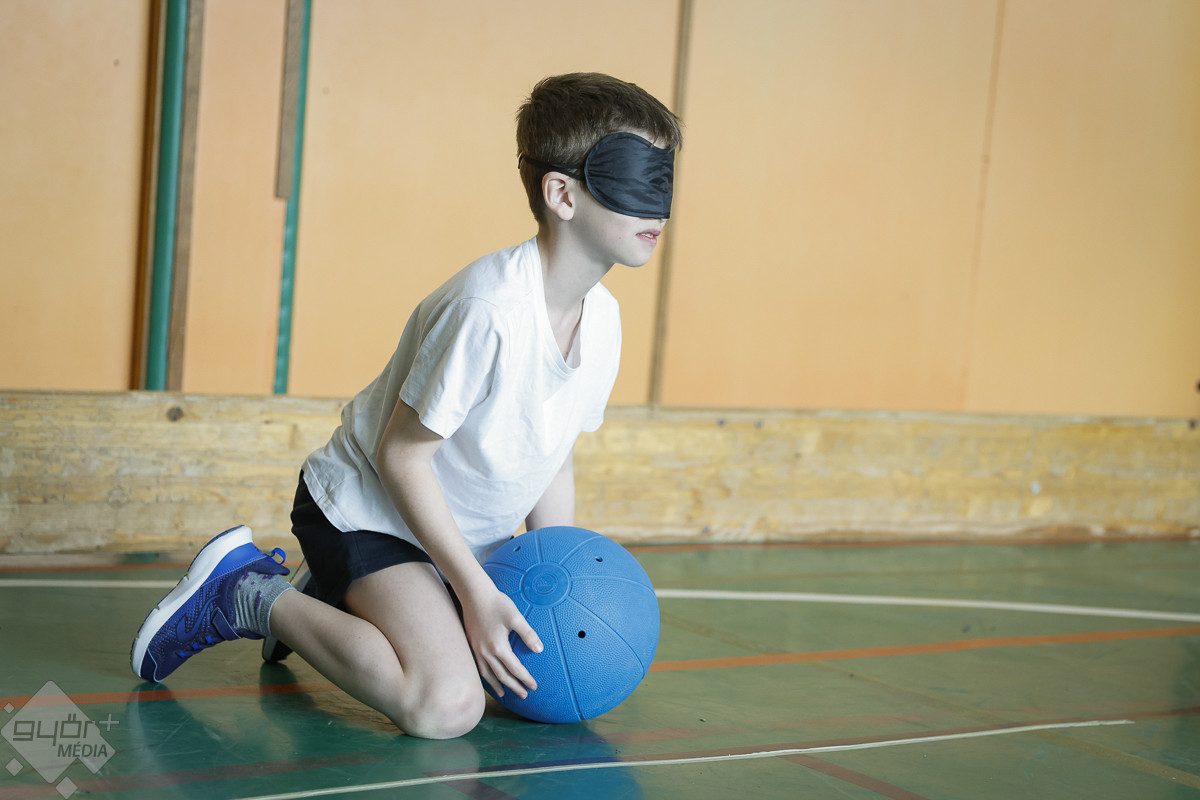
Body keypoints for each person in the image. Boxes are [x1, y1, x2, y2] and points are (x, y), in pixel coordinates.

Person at [130, 72, 682, 740]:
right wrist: (476, 593)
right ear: (562, 194)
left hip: (456, 536)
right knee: (446, 706)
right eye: (637, 178)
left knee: (519, 676)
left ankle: (339, 596)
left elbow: (552, 456)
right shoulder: (488, 310)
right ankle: (248, 594)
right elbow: (401, 458)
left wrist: (548, 576)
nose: (659, 206)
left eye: (666, 178)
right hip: (366, 511)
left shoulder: (605, 320)